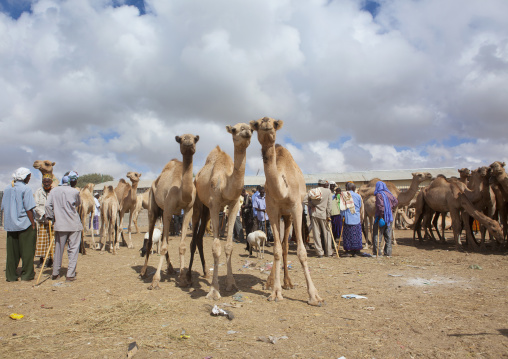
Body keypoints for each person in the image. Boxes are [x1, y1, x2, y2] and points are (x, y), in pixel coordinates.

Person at [45, 171, 83, 281]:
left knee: (58, 249)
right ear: (72, 180)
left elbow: (48, 205)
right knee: (73, 250)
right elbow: (78, 204)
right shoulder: (74, 192)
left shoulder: (54, 191)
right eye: (75, 180)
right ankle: (70, 275)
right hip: (73, 224)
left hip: (60, 224)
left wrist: (50, 217)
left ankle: (55, 273)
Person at [2, 167, 37, 282]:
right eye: (29, 176)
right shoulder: (26, 189)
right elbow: (29, 208)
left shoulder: (7, 188)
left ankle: (11, 275)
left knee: (12, 252)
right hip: (24, 224)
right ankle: (27, 275)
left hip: (10, 225)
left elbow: (3, 207)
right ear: (25, 176)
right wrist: (32, 223)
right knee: (27, 251)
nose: (30, 178)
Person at [303, 179, 333, 258]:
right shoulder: (328, 191)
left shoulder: (312, 191)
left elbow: (304, 200)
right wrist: (328, 215)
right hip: (324, 215)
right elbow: (329, 204)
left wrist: (311, 205)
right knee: (327, 233)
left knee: (316, 234)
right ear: (324, 184)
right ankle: (329, 252)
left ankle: (320, 253)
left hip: (314, 214)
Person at [372, 181, 398, 257]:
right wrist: (390, 209)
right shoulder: (389, 194)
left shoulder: (379, 195)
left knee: (377, 235)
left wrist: (381, 216)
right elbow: (396, 202)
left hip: (381, 218)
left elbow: (380, 207)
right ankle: (388, 253)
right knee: (388, 236)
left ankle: (377, 253)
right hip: (389, 218)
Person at [34, 174, 55, 268]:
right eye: (44, 182)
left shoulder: (55, 191)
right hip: (42, 220)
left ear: (51, 182)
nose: (46, 184)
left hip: (52, 220)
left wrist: (51, 216)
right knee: (42, 240)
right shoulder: (38, 192)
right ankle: (42, 260)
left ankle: (51, 260)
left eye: (48, 182)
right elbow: (36, 205)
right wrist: (44, 214)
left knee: (52, 241)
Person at [340, 182, 364, 257]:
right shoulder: (358, 196)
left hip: (347, 218)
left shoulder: (344, 195)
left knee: (348, 235)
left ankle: (348, 250)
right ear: (354, 188)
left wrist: (342, 216)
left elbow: (342, 207)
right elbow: (360, 206)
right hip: (356, 218)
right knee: (356, 235)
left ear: (347, 188)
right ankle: (356, 250)